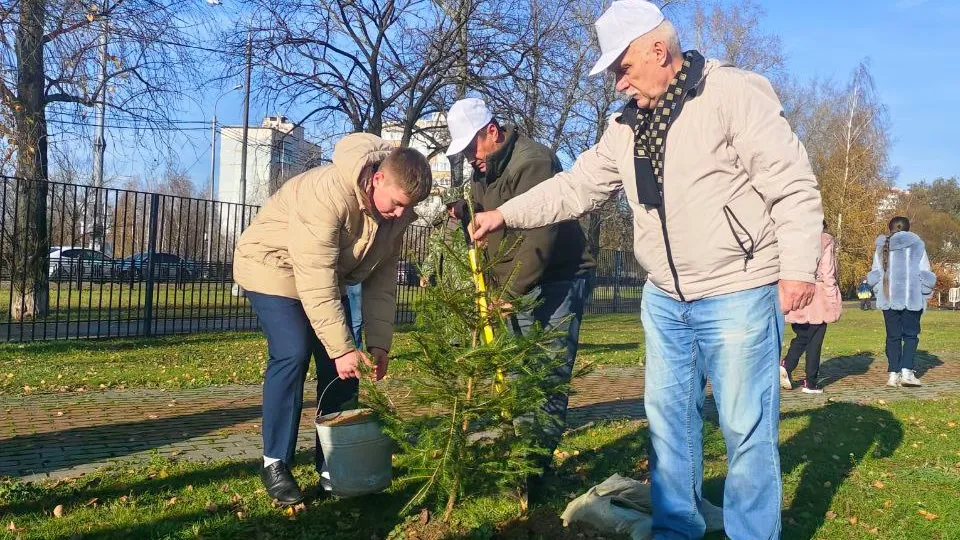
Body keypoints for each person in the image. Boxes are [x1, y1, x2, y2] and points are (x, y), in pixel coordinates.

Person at [468, 1, 824, 537]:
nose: (618, 82)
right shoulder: (625, 126)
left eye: (623, 67)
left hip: (738, 288)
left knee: (745, 429)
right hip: (664, 299)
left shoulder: (732, 93)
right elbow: (576, 186)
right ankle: (676, 529)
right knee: (668, 427)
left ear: (659, 51)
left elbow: (792, 183)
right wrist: (504, 214)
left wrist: (797, 267)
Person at [233, 134, 432, 505]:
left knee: (345, 369)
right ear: (377, 179)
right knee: (293, 351)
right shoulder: (327, 192)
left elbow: (382, 282)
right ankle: (275, 462)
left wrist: (378, 343)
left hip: (325, 276)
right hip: (271, 266)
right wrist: (340, 347)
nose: (400, 214)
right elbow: (315, 274)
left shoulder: (396, 215)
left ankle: (333, 460)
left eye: (408, 208)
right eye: (396, 204)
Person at [443, 98, 596, 478]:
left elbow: (538, 238)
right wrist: (465, 211)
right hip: (514, 284)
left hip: (559, 277)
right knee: (516, 368)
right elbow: (485, 217)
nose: (469, 157)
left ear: (492, 131)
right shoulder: (483, 171)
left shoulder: (533, 162)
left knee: (547, 371)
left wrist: (508, 294)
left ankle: (534, 468)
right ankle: (520, 449)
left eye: (471, 147)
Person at [867, 216, 936, 388]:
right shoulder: (917, 245)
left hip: (888, 299)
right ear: (908, 228)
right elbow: (925, 273)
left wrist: (879, 293)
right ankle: (907, 372)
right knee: (911, 336)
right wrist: (925, 294)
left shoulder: (882, 246)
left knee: (893, 337)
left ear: (889, 228)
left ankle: (893, 374)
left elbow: (875, 275)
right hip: (911, 299)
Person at [779, 221, 842, 394]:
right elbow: (828, 272)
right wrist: (833, 299)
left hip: (796, 293)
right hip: (818, 295)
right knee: (815, 339)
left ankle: (788, 365)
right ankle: (809, 381)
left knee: (802, 335)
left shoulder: (792, 240)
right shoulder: (825, 241)